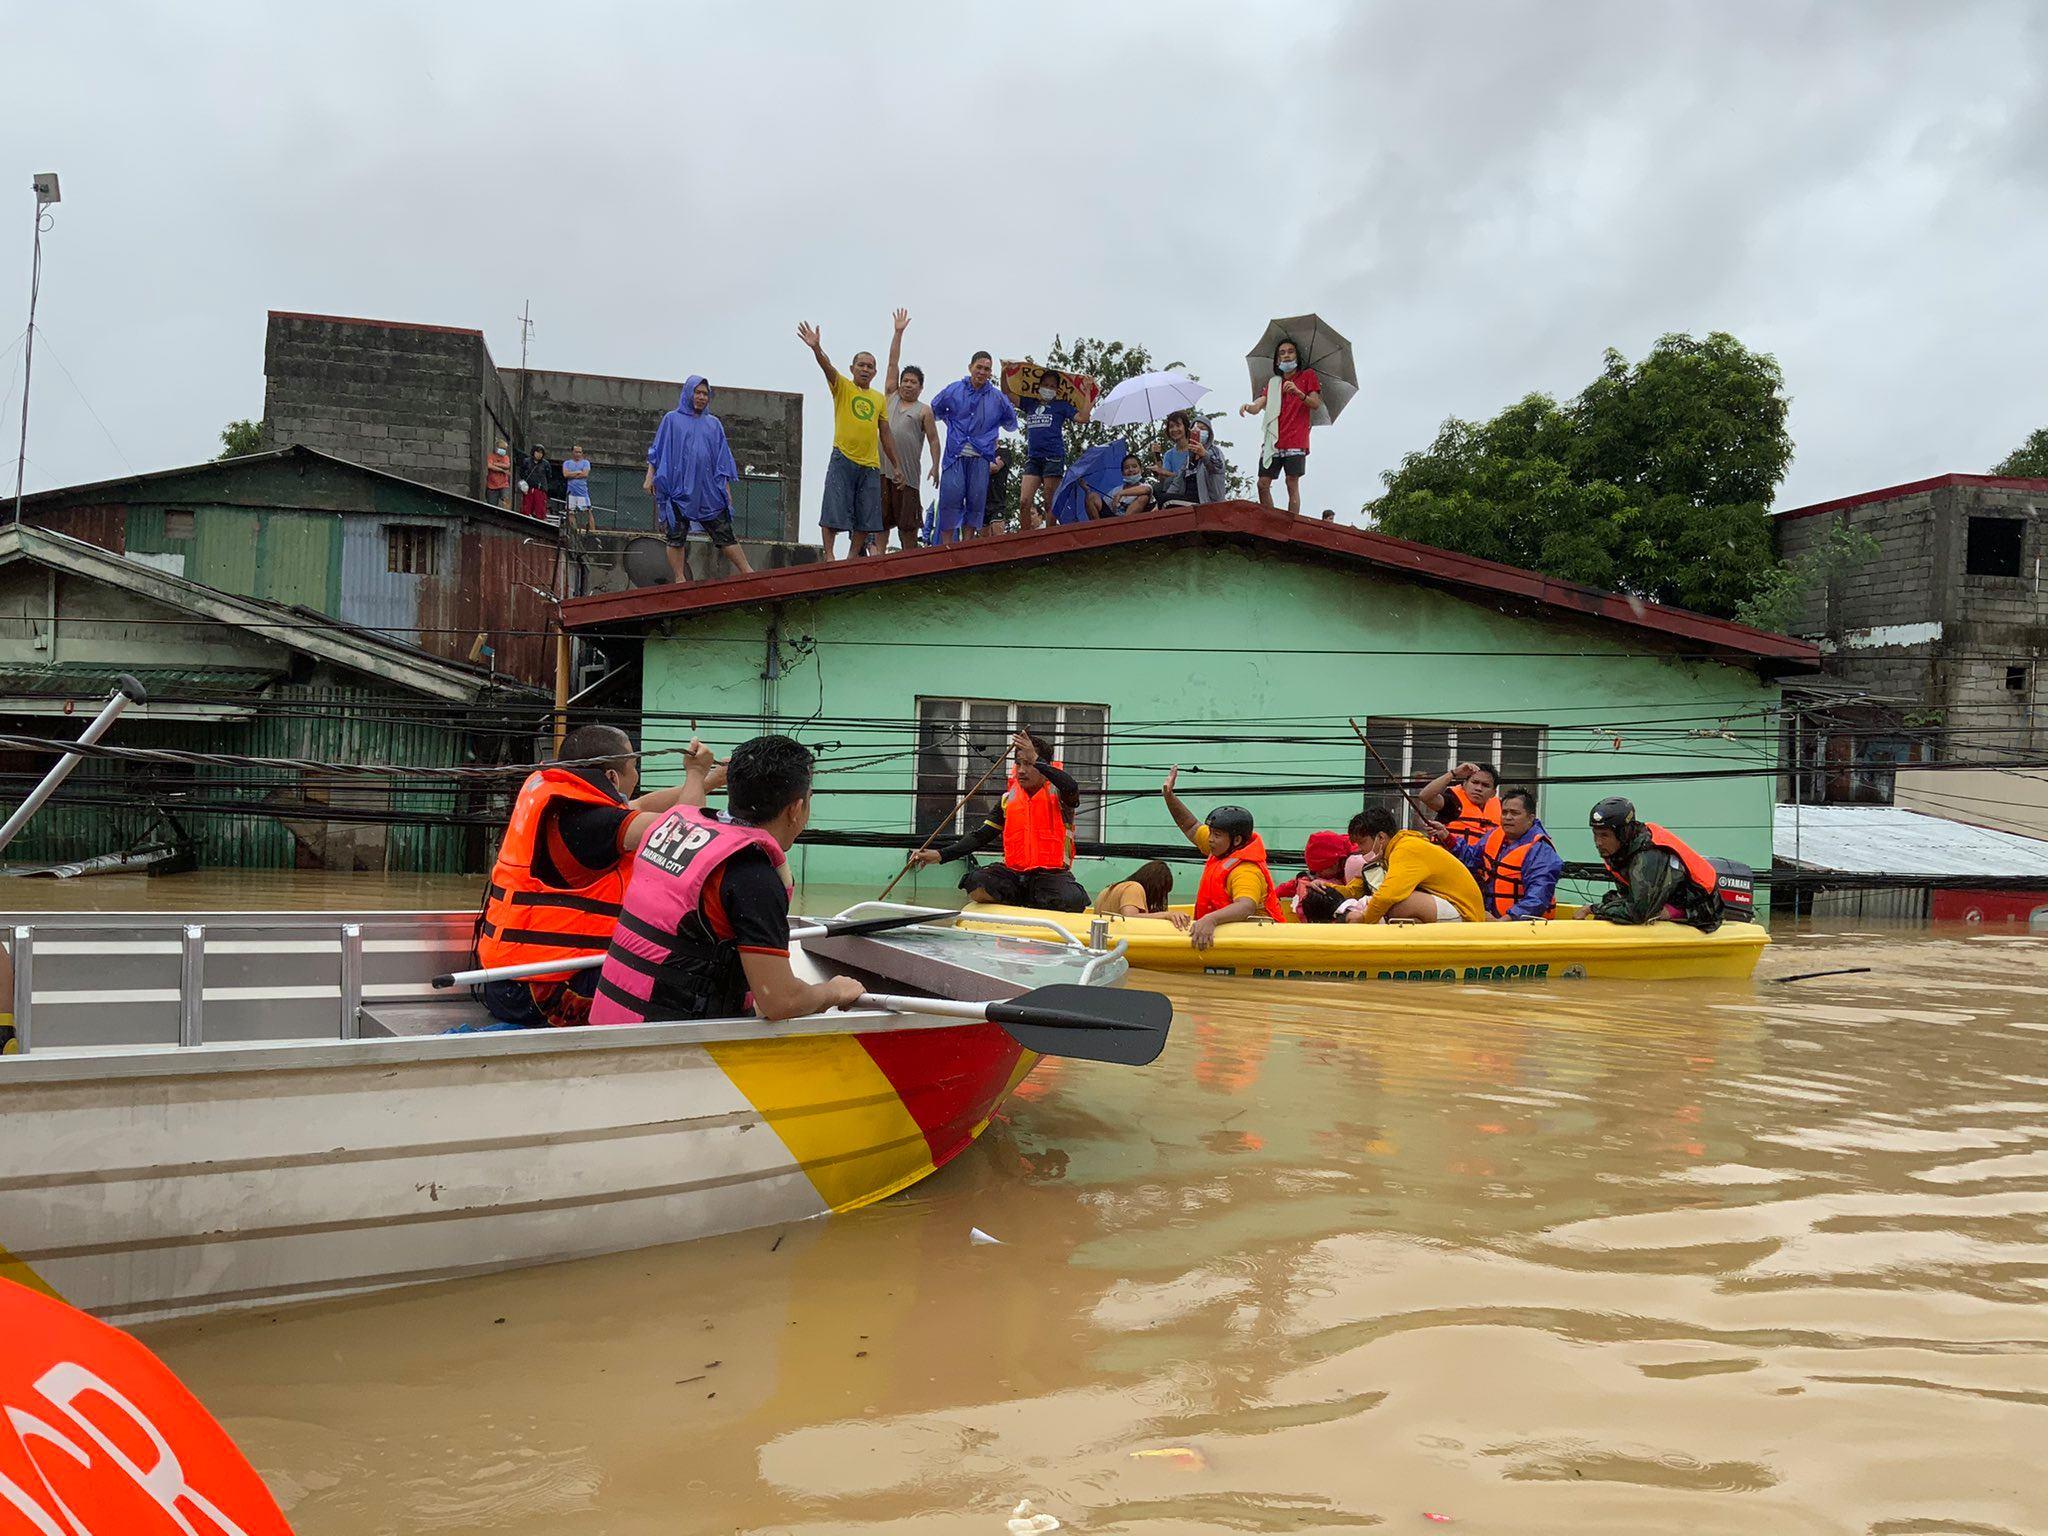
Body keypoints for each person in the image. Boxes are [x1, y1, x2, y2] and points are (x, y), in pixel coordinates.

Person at [590, 735, 867, 1024]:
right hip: (665, 1047)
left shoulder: (673, 828)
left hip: (608, 1026)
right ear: (795, 809)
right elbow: (780, 1000)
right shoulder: (751, 874)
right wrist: (833, 991)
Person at [473, 725, 716, 1029]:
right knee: (689, 984)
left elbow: (638, 806)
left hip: (509, 984)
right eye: (634, 767)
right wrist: (693, 774)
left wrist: (710, 780)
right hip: (546, 994)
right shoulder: (592, 822)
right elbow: (685, 829)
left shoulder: (564, 802)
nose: (637, 776)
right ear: (613, 777)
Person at [908, 730, 1089, 911]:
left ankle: (1033, 902)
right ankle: (1019, 900)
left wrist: (1035, 757)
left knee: (1072, 898)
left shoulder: (1060, 794)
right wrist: (941, 855)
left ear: (1044, 766)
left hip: (1051, 876)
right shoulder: (1007, 799)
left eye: (1029, 764)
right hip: (1013, 875)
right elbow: (981, 836)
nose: (1022, 771)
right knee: (976, 881)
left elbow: (1071, 786)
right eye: (1018, 764)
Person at [798, 320, 901, 560]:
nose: (865, 369)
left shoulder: (878, 399)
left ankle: (852, 556)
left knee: (867, 516)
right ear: (852, 368)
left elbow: (885, 433)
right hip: (843, 456)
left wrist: (896, 465)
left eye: (870, 366)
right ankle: (830, 554)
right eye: (861, 365)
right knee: (833, 508)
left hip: (870, 464)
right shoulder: (843, 386)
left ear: (875, 372)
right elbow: (827, 367)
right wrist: (816, 348)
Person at [643, 376, 756, 584]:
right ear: (688, 393)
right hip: (678, 487)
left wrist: (726, 490)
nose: (702, 397)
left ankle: (748, 572)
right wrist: (650, 476)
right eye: (698, 392)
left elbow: (722, 460)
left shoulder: (714, 424)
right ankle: (679, 578)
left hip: (708, 490)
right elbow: (658, 450)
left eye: (705, 394)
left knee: (724, 532)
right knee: (676, 535)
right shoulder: (671, 419)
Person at [1159, 766, 1284, 949]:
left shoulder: (1246, 869)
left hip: (1259, 941)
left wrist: (1211, 919)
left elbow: (1246, 906)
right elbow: (1191, 826)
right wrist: (1169, 797)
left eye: (1216, 835)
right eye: (1210, 833)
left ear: (1237, 840)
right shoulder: (1220, 847)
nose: (1209, 839)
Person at [1581, 797, 1725, 931]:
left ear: (1623, 833)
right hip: (1662, 899)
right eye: (1595, 834)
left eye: (1604, 835)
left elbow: (1637, 913)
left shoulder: (1647, 855)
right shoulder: (1618, 850)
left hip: (1701, 909)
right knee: (1610, 906)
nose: (1598, 842)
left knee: (1628, 918)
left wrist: (1593, 908)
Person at [930, 351, 1019, 544]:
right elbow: (935, 409)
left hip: (981, 456)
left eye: (986, 369)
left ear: (990, 373)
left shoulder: (997, 398)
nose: (982, 372)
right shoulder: (954, 389)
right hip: (956, 453)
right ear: (970, 367)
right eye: (979, 367)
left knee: (976, 501)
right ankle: (946, 545)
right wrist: (950, 421)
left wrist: (993, 427)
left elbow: (1012, 424)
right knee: (950, 498)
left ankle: (967, 544)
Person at [1342, 806, 1487, 924]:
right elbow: (1355, 889)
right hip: (1450, 908)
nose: (1359, 849)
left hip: (1465, 913)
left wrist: (1363, 921)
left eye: (1362, 842)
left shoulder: (1406, 848)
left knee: (1397, 905)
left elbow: (1387, 896)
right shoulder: (1388, 855)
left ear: (1381, 837)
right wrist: (1324, 888)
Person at [1448, 786, 1562, 920]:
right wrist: (1447, 837)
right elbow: (1472, 859)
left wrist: (1506, 919)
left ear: (1530, 818)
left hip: (1525, 926)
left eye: (1514, 813)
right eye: (1504, 812)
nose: (1508, 817)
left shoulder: (1540, 850)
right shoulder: (1494, 836)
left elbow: (1538, 895)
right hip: (1490, 917)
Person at [1237, 337, 1321, 515]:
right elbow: (1261, 403)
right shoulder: (1274, 382)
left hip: (1296, 439)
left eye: (1290, 351)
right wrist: (1250, 407)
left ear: (1297, 355)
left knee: (1291, 482)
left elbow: (1315, 403)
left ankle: (1292, 524)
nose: (1287, 356)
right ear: (1277, 360)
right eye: (1282, 353)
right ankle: (1272, 521)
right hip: (1273, 439)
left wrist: (1298, 393)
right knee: (1262, 484)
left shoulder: (1307, 376)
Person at [882, 310, 941, 552]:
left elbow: (934, 440)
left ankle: (909, 564)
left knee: (908, 527)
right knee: (879, 525)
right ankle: (878, 562)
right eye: (905, 380)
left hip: (909, 477)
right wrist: (898, 332)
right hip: (882, 472)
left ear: (920, 387)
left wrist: (935, 465)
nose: (907, 384)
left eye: (913, 382)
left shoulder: (924, 410)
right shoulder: (890, 396)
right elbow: (893, 362)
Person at [1016, 366, 1093, 530]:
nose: (1048, 389)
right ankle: (1024, 538)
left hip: (1053, 456)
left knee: (1049, 502)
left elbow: (1084, 418)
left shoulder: (1061, 405)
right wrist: (1006, 371)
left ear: (1057, 390)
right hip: (1034, 458)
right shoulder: (1030, 403)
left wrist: (1087, 392)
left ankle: (1049, 536)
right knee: (1024, 502)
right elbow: (1008, 394)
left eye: (1052, 386)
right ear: (1039, 386)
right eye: (1045, 385)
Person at [1418, 761, 1501, 839]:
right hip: (1448, 853)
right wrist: (1454, 773)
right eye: (1475, 782)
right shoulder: (1453, 801)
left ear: (1493, 793)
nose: (1478, 788)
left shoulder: (1502, 809)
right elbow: (1425, 796)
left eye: (1485, 785)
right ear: (1464, 784)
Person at [1148, 412, 1198, 506]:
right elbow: (1163, 480)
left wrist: (1163, 472)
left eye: (1178, 425)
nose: (1174, 429)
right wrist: (1157, 455)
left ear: (1186, 427)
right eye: (1171, 426)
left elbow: (1187, 476)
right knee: (1157, 488)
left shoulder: (1194, 449)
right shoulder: (1169, 454)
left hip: (1190, 492)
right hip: (1173, 491)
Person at [1096, 860, 1174, 917]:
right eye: (1161, 893)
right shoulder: (1134, 888)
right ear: (1154, 887)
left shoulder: (1110, 889)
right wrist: (1165, 915)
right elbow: (1129, 917)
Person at [1086, 455, 1153, 518]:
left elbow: (1147, 489)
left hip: (1132, 523)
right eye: (1126, 468)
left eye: (1134, 466)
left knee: (1143, 497)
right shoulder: (1115, 490)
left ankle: (1123, 525)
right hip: (1112, 520)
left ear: (1141, 469)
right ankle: (1098, 529)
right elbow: (1100, 505)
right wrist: (1087, 490)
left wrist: (1120, 494)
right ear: (1122, 472)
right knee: (1092, 496)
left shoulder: (1145, 485)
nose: (1131, 470)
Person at [1187, 416, 1230, 504]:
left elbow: (1217, 468)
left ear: (1209, 433)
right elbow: (1177, 483)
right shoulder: (1189, 458)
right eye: (1195, 429)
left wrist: (1204, 455)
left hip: (1207, 502)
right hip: (1187, 501)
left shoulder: (1214, 451)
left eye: (1202, 429)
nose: (1198, 431)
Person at [562, 443, 593, 527]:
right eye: (576, 452)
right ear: (572, 452)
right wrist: (577, 472)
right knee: (570, 513)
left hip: (582, 493)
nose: (578, 454)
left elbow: (585, 474)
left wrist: (571, 475)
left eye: (580, 452)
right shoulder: (567, 463)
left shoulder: (586, 463)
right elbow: (565, 475)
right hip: (571, 493)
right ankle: (574, 533)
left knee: (588, 513)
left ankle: (593, 533)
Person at [518, 445, 552, 520]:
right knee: (526, 509)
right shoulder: (526, 461)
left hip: (540, 489)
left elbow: (549, 476)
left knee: (540, 510)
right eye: (537, 452)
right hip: (528, 489)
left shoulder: (545, 464)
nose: (539, 454)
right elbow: (522, 473)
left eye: (541, 453)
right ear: (533, 452)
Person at [486, 439, 512, 509]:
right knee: (491, 505)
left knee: (506, 501)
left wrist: (495, 464)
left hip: (504, 484)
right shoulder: (491, 456)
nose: (504, 450)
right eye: (502, 448)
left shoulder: (506, 457)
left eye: (505, 449)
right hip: (492, 485)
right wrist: (502, 470)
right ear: (497, 448)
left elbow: (507, 466)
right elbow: (490, 466)